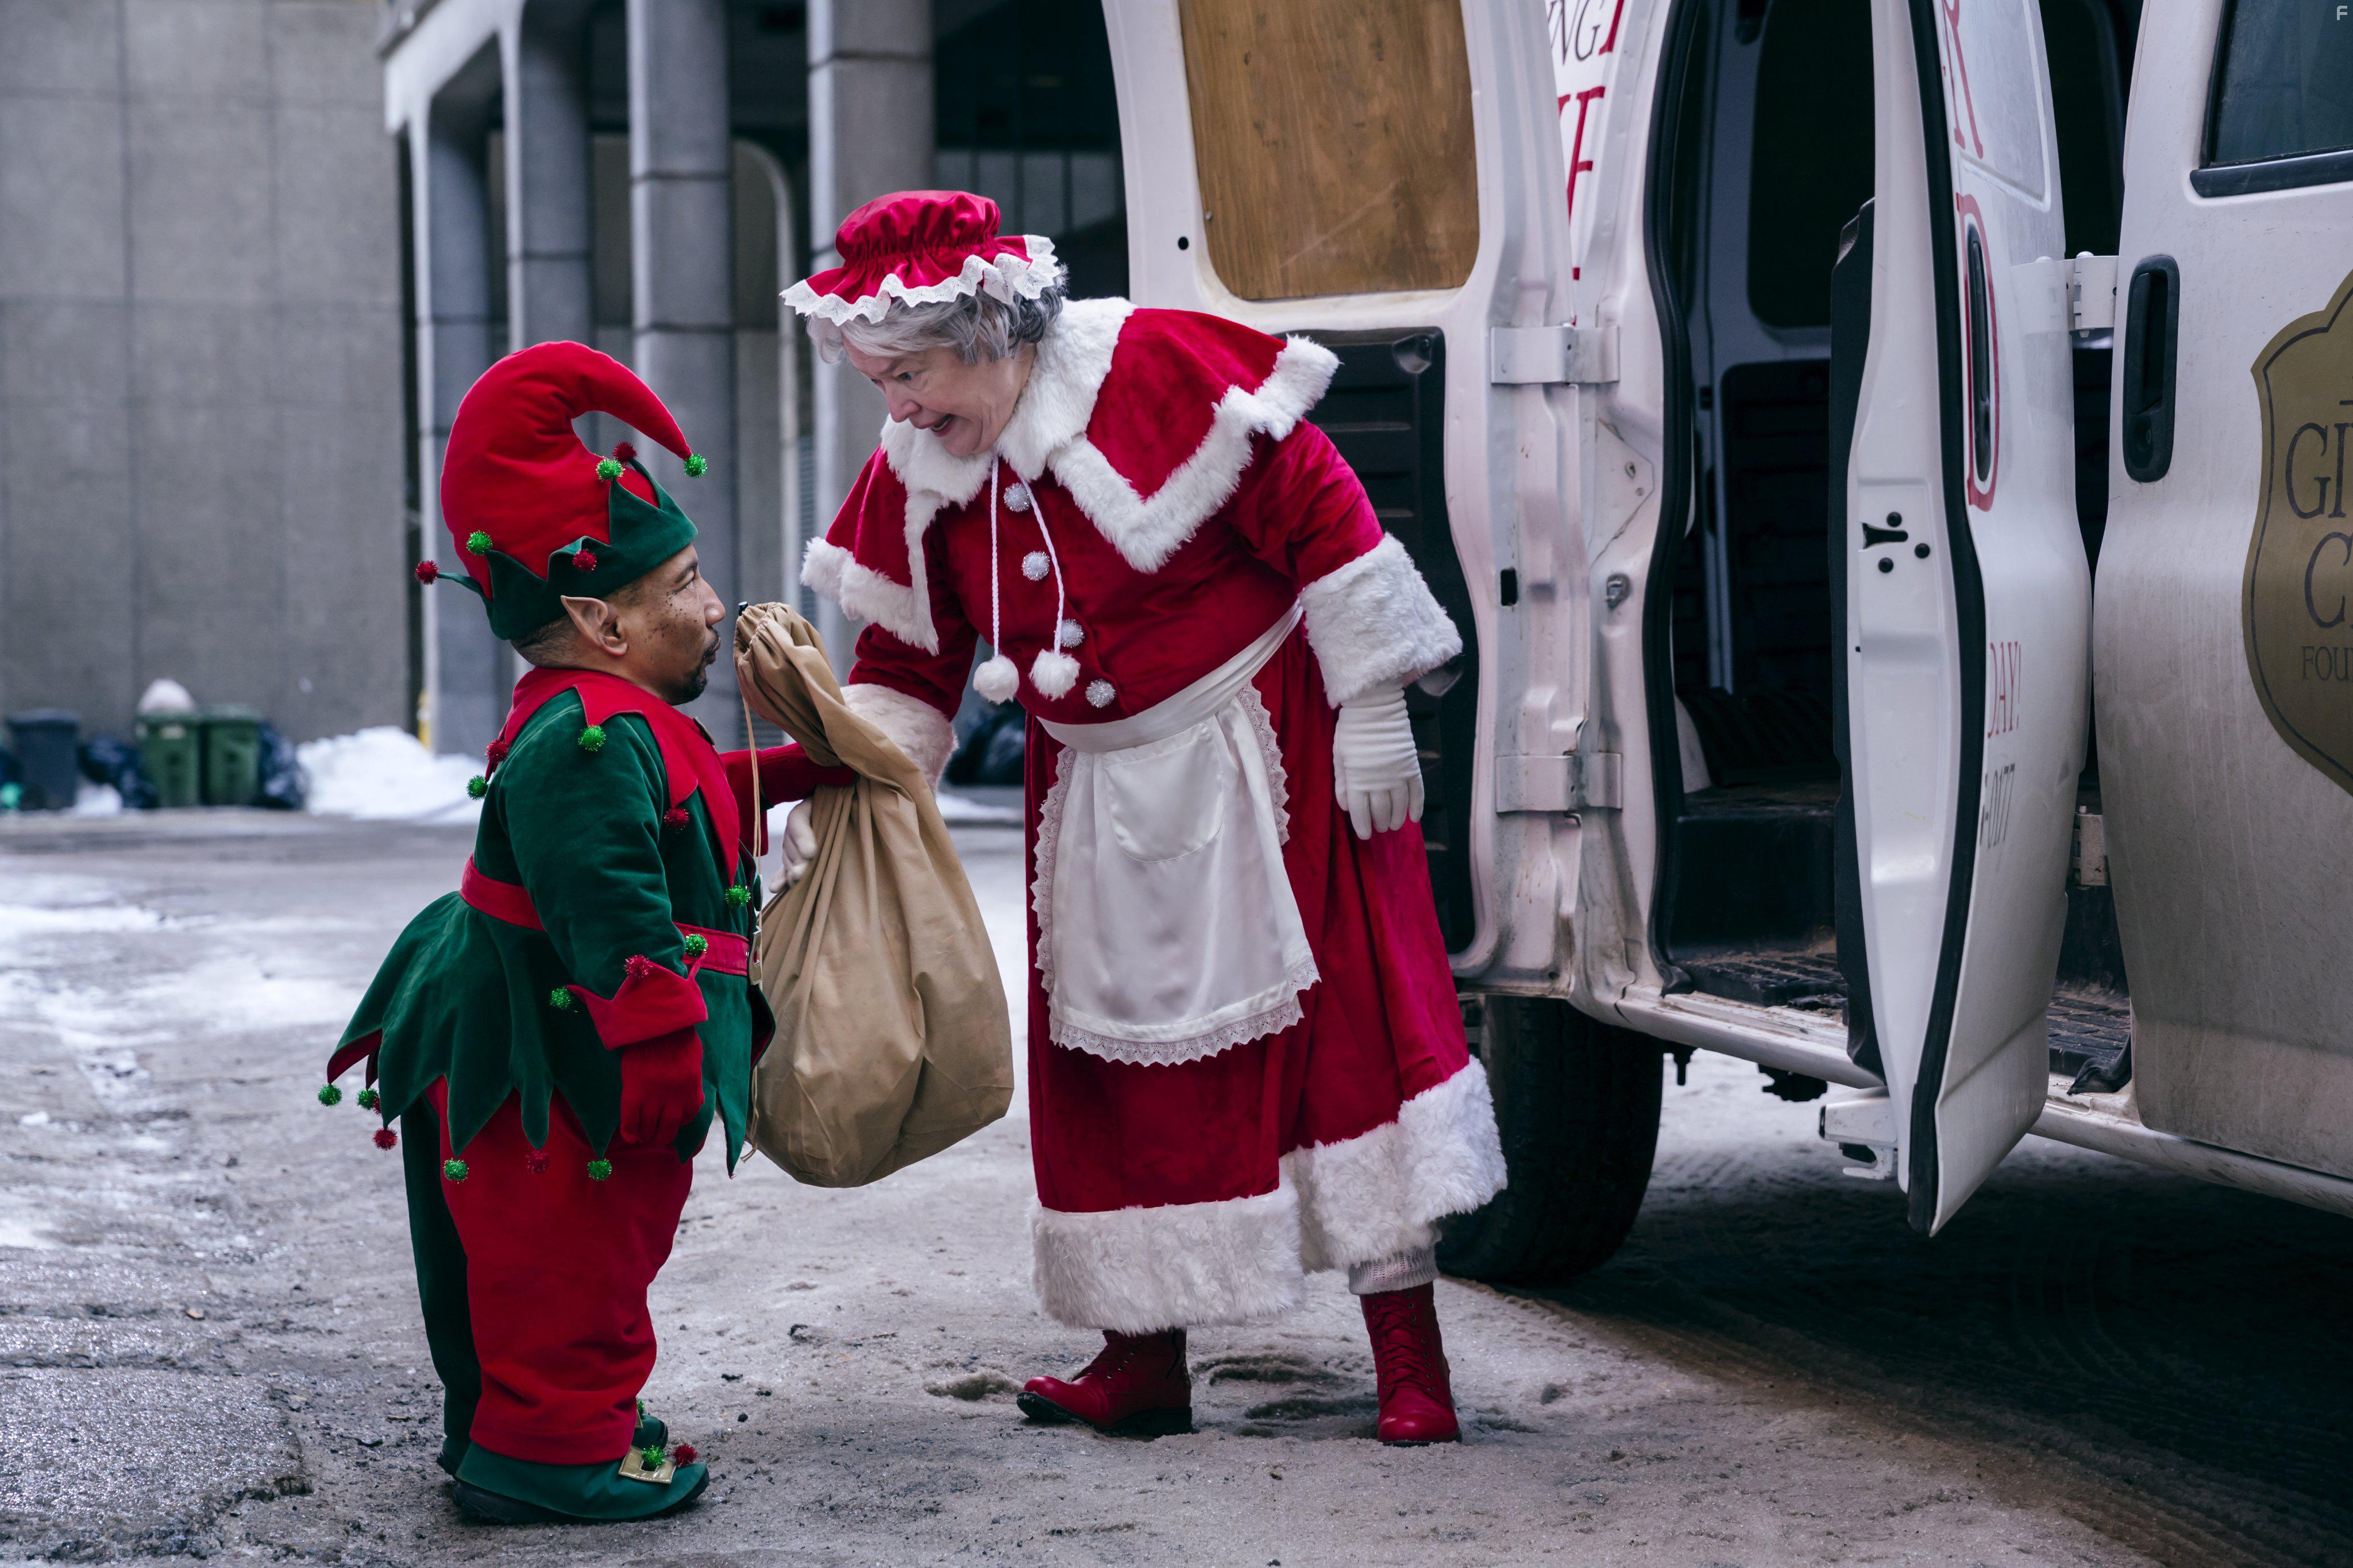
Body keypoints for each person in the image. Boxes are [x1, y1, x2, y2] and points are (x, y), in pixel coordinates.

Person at [783, 191, 1506, 1445]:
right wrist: (846, 788)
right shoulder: (921, 465)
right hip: (1091, 792)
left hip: (1267, 750)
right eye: (877, 380)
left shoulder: (1153, 368)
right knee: (1108, 1074)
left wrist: (1375, 703)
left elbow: (1327, 520)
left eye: (908, 374)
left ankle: (1409, 1360)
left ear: (992, 329)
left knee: (1344, 1044)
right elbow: (906, 661)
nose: (895, 407)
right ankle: (1138, 1359)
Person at [321, 342, 846, 1522]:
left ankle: (555, 1423)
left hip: (563, 1036)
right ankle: (547, 1460)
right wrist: (657, 1030)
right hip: (557, 1054)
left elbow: (674, 795)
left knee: (581, 1240)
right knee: (563, 1243)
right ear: (599, 619)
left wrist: (798, 769)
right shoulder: (582, 738)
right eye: (686, 589)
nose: (714, 607)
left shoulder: (604, 718)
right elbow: (607, 883)